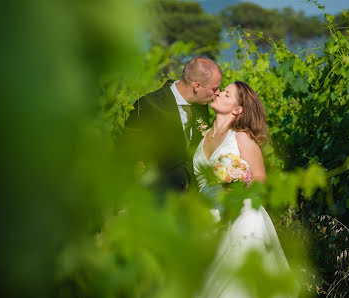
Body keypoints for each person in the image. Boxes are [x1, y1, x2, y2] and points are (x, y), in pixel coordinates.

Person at [193, 81, 294, 297]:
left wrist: (239, 190)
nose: (218, 93)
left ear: (237, 110)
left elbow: (259, 179)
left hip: (232, 210)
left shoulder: (240, 137)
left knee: (250, 216)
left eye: (226, 94)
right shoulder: (200, 136)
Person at [118, 56, 222, 193]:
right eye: (214, 89)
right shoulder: (150, 104)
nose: (218, 93)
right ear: (197, 86)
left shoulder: (201, 107)